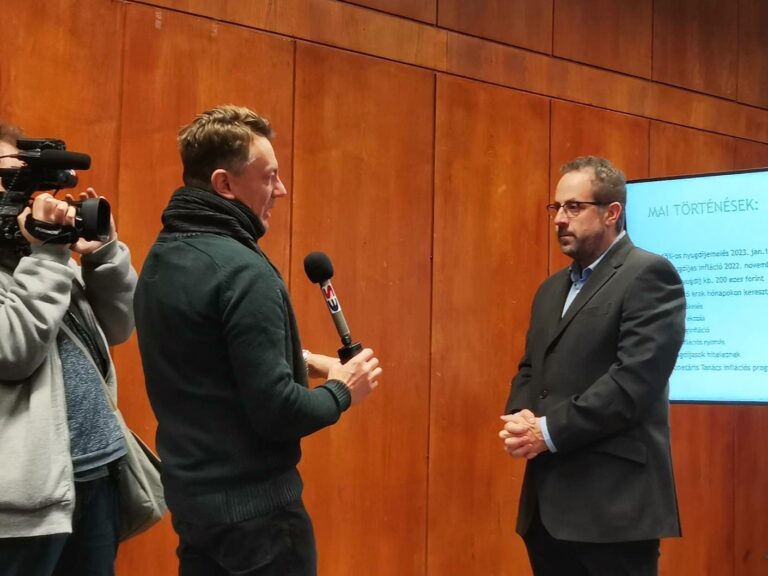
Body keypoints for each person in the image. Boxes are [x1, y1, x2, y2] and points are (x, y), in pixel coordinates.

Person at [134, 105, 382, 576]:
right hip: (261, 525)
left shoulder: (161, 257)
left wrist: (304, 359)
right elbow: (279, 412)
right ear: (225, 184)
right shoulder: (245, 272)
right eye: (269, 176)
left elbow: (207, 357)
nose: (281, 189)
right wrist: (344, 389)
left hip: (195, 511)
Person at [499, 156, 685, 576]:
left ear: (611, 213)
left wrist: (547, 431)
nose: (559, 219)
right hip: (546, 511)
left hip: (614, 511)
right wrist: (521, 416)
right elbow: (530, 369)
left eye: (573, 207)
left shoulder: (649, 274)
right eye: (556, 207)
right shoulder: (551, 289)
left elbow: (632, 382)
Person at [0, 121, 137, 575]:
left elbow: (117, 327)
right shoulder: (43, 257)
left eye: (21, 180)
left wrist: (104, 255)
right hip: (22, 508)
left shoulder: (38, 254)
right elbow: (14, 351)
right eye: (5, 178)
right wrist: (47, 255)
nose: (17, 193)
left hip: (93, 473)